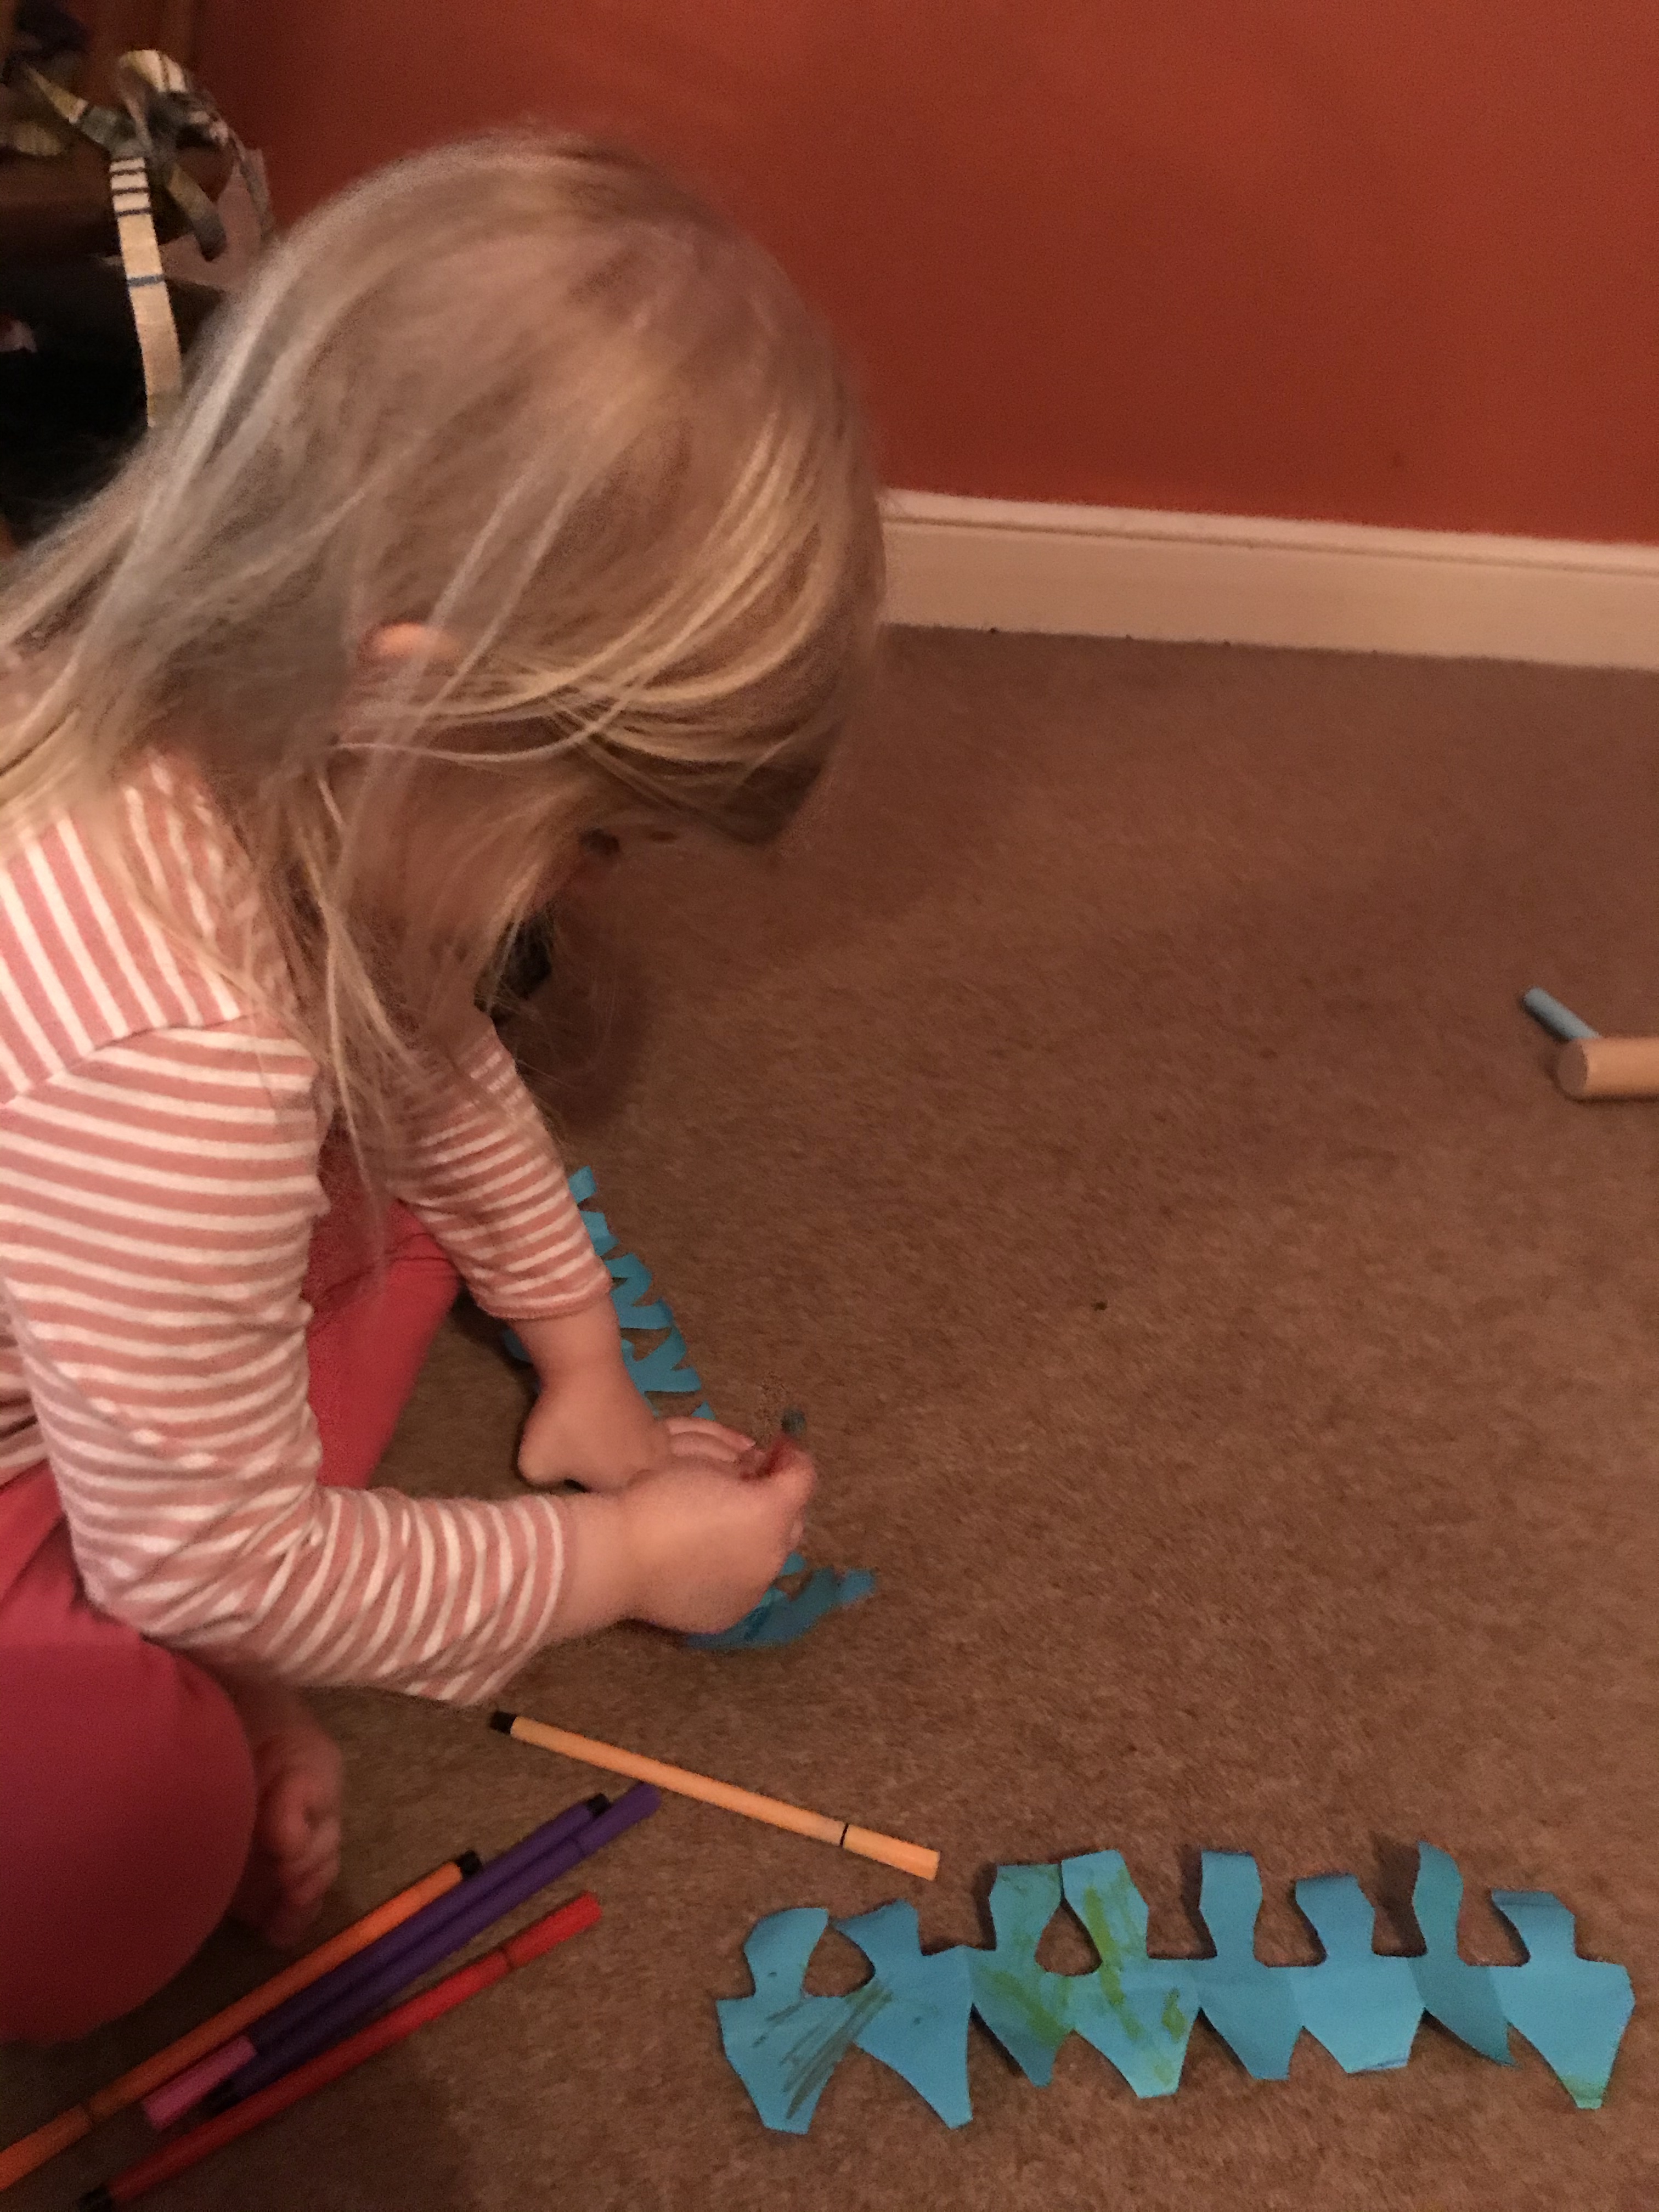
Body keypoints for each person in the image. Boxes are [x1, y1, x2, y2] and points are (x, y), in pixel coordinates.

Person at [0, 130, 882, 2040]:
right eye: (597, 836)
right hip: (68, 1428)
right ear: (407, 697)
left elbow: (430, 1052)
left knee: (390, 1216)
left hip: (84, 1295)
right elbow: (211, 1560)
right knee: (116, 1844)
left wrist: (582, 1355)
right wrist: (618, 1557)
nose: (585, 895)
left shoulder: (247, 737)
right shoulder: (178, 1053)